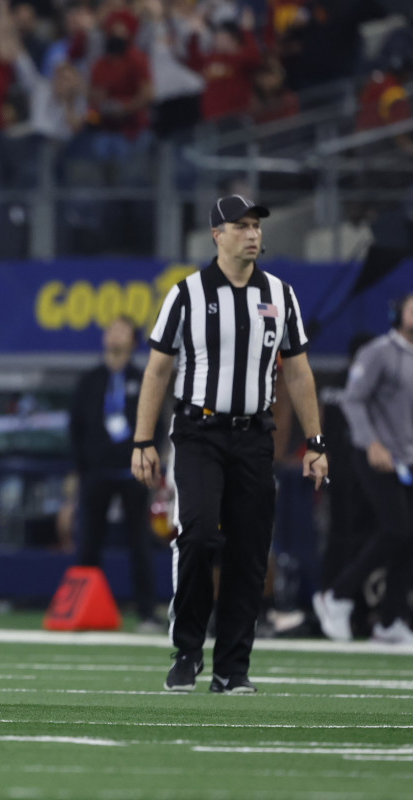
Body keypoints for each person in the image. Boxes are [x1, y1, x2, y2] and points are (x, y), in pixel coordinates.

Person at [132, 195, 328, 695]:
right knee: (197, 534)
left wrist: (315, 440)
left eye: (256, 225)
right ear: (217, 235)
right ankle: (187, 649)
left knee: (249, 550)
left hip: (254, 434)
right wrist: (143, 440)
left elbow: (299, 370)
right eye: (241, 226)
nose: (253, 234)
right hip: (198, 432)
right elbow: (158, 368)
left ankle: (232, 668)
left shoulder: (281, 295)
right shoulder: (186, 294)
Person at [313, 294, 413, 644]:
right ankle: (336, 595)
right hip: (376, 457)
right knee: (396, 529)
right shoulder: (378, 352)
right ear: (398, 312)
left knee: (409, 538)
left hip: (408, 459)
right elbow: (353, 400)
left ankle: (391, 618)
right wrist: (371, 443)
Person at [68, 316, 162, 632]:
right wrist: (79, 468)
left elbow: (156, 423)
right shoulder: (90, 380)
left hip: (131, 473)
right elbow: (76, 427)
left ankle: (147, 613)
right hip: (96, 472)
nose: (113, 334)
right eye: (110, 329)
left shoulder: (143, 377)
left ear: (133, 340)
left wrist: (149, 461)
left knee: (140, 542)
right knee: (89, 542)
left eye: (121, 329)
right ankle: (82, 609)